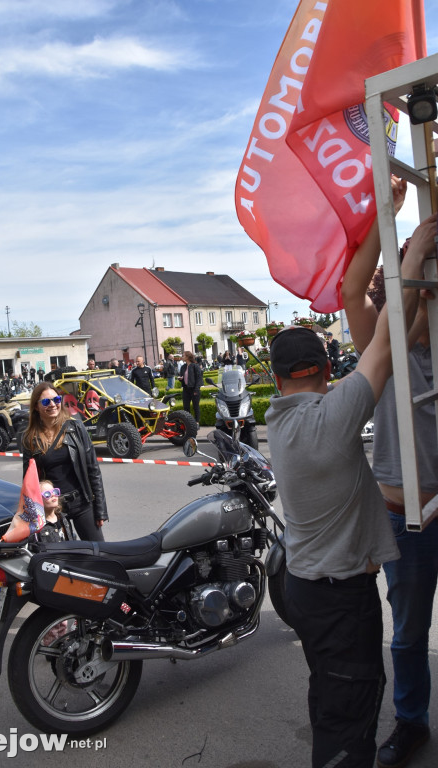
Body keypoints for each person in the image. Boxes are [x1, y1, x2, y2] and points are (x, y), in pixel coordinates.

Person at [265, 212, 436, 768]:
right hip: (349, 583)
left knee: (337, 693)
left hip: (315, 587)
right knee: (354, 699)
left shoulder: (285, 416)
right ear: (325, 370)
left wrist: (383, 223)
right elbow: (381, 338)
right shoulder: (335, 411)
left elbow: (385, 331)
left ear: (276, 380)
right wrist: (407, 255)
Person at [341, 183, 438, 768]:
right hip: (405, 521)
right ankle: (411, 722)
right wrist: (391, 222)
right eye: (415, 283)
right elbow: (353, 290)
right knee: (405, 635)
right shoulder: (381, 351)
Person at [21, 382, 108, 541]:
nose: (53, 405)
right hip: (52, 509)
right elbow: (29, 483)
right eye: (46, 402)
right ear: (36, 407)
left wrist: (100, 509)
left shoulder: (75, 427)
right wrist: (34, 516)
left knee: (99, 554)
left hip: (82, 502)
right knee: (63, 558)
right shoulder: (30, 439)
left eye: (57, 399)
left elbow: (93, 469)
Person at [179, 350, 203, 427]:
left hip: (194, 389)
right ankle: (188, 422)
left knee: (196, 406)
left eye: (183, 355)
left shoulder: (195, 366)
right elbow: (183, 377)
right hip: (186, 389)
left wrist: (196, 389)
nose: (182, 357)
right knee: (186, 406)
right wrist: (181, 379)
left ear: (187, 357)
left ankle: (197, 422)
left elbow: (199, 378)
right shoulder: (183, 367)